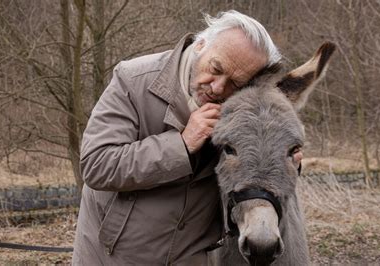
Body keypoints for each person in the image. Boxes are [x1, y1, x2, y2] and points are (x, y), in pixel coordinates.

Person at [72, 10, 281, 265]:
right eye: (215, 68)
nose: (217, 88)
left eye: (235, 83)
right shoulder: (133, 80)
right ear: (201, 44)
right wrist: (181, 144)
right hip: (114, 256)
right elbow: (96, 165)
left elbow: (249, 176)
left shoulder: (240, 108)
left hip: (188, 258)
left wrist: (284, 157)